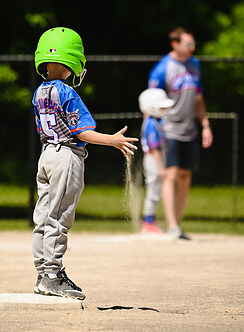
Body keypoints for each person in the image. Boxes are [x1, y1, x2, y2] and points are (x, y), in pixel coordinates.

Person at [32, 26, 138, 300]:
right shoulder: (67, 92)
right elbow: (82, 132)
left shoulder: (39, 92)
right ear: (73, 61)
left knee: (43, 218)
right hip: (66, 157)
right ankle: (54, 277)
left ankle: (44, 273)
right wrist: (112, 140)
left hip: (46, 155)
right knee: (59, 218)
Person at [148, 27, 213, 240]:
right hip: (169, 128)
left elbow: (198, 98)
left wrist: (205, 125)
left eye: (193, 43)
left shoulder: (194, 65)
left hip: (190, 129)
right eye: (188, 44)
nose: (192, 47)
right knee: (172, 174)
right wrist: (150, 132)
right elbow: (151, 102)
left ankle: (177, 224)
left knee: (185, 176)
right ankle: (172, 226)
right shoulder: (162, 68)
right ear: (175, 44)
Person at [138, 88, 174, 234]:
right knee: (153, 190)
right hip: (154, 159)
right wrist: (161, 168)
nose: (164, 109)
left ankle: (151, 221)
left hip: (158, 158)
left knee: (157, 191)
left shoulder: (157, 120)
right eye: (161, 107)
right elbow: (154, 148)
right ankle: (148, 222)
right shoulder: (151, 124)